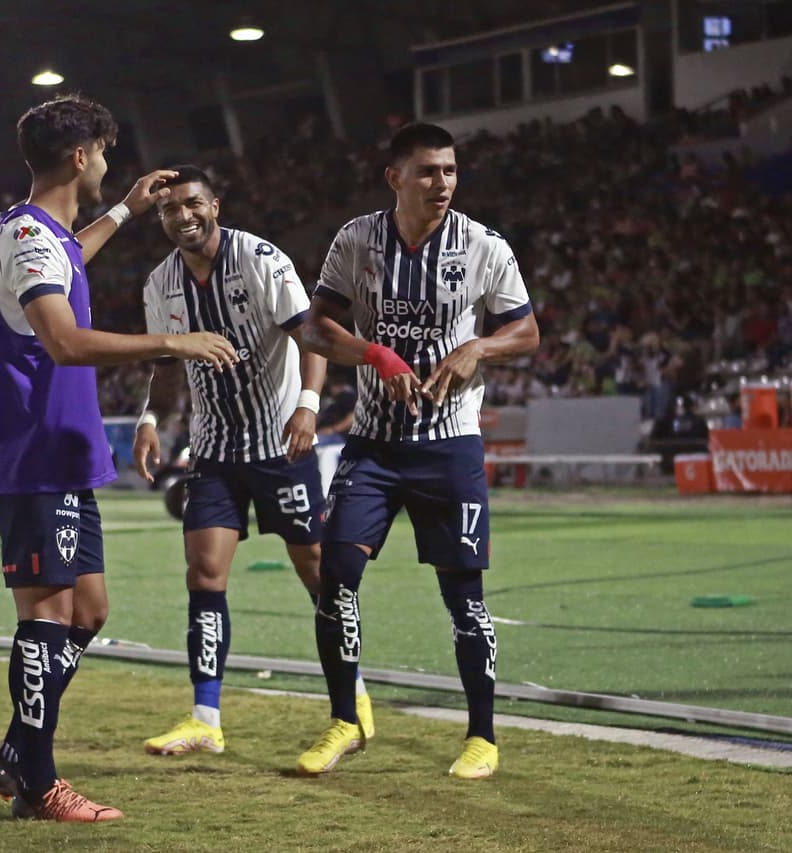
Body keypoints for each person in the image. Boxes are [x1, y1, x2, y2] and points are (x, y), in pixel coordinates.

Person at [0, 96, 237, 823]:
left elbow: (69, 255)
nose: (108, 163)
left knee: (87, 611)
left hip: (63, 454)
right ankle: (37, 781)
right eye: (104, 152)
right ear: (79, 155)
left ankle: (16, 752)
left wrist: (122, 211)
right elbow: (62, 339)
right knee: (49, 614)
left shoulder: (41, 233)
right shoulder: (31, 236)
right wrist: (172, 343)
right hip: (36, 456)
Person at [298, 123, 539, 779]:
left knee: (464, 598)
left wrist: (479, 347)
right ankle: (346, 720)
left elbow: (526, 329)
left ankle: (482, 737)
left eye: (451, 171)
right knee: (335, 581)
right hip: (372, 446)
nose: (443, 184)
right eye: (429, 171)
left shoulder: (484, 245)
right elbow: (317, 326)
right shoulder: (357, 239)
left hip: (448, 449)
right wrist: (373, 350)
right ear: (395, 177)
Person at [133, 165, 375, 760]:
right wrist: (148, 419)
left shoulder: (261, 260)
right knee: (204, 575)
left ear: (214, 205)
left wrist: (308, 406)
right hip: (214, 453)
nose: (183, 216)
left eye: (192, 204)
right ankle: (205, 719)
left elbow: (311, 336)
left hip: (279, 447)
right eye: (170, 210)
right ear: (161, 219)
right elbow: (165, 368)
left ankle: (354, 698)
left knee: (319, 574)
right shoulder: (159, 285)